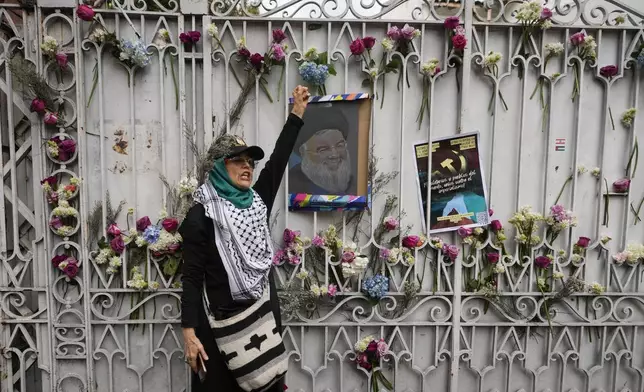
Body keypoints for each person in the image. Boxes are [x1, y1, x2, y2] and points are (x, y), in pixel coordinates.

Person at [180, 86, 310, 392]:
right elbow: (191, 278)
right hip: (219, 330)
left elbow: (277, 162)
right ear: (218, 167)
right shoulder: (201, 215)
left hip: (262, 321)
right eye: (237, 160)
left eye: (250, 161)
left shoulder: (257, 203)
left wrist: (297, 114)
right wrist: (189, 333)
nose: (247, 166)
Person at [288, 104, 357, 195]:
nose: (334, 154)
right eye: (323, 149)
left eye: (339, 145)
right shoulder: (291, 186)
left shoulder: (354, 186)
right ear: (303, 153)